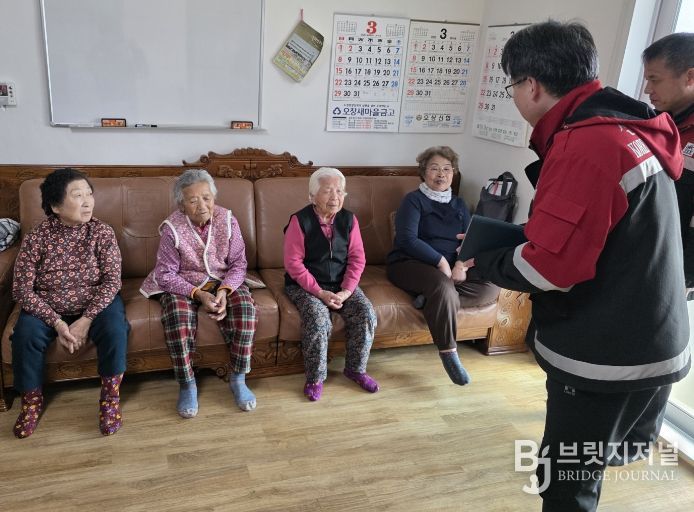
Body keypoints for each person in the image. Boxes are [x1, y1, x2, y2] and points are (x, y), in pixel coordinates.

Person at [460, 21, 690, 511]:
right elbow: (593, 234)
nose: (513, 97)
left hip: (608, 349)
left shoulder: (586, 145)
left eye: (510, 86)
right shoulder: (628, 128)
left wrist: (485, 261)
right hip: (651, 332)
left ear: (531, 85)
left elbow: (550, 270)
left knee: (565, 483)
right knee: (590, 463)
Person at [11, 168, 129, 438]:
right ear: (55, 206)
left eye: (89, 194)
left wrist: (86, 320)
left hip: (95, 304)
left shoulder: (102, 232)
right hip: (47, 307)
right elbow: (22, 289)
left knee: (115, 328)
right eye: (78, 196)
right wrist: (57, 322)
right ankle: (31, 403)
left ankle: (110, 400)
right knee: (25, 335)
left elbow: (112, 282)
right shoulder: (37, 237)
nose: (87, 202)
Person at [140, 169, 257, 417]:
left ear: (214, 198)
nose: (202, 206)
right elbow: (165, 274)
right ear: (181, 205)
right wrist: (198, 294)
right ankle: (187, 384)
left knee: (246, 311)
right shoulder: (172, 228)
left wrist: (224, 291)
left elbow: (239, 264)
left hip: (222, 279)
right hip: (183, 282)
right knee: (178, 318)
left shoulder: (228, 219)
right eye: (193, 200)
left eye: (206, 198)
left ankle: (238, 378)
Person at [386, 146, 499, 386]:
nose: (441, 174)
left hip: (449, 266)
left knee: (490, 284)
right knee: (442, 286)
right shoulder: (413, 200)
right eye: (434, 168)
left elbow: (469, 240)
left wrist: (460, 265)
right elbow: (407, 239)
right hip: (409, 262)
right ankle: (449, 353)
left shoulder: (459, 204)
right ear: (423, 172)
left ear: (453, 173)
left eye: (447, 169)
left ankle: (431, 299)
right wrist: (441, 262)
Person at [283, 167, 378, 401]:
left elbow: (357, 258)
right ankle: (315, 378)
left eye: (340, 191)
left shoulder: (349, 220)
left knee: (366, 313)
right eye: (327, 191)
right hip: (306, 286)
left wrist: (346, 291)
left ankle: (356, 369)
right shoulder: (299, 220)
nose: (335, 196)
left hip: (342, 284)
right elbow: (293, 263)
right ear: (312, 196)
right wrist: (319, 292)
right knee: (318, 319)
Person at [642, 33, 694, 292]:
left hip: (678, 271)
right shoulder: (651, 124)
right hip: (641, 256)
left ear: (690, 77)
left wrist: (685, 275)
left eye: (655, 79)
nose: (647, 90)